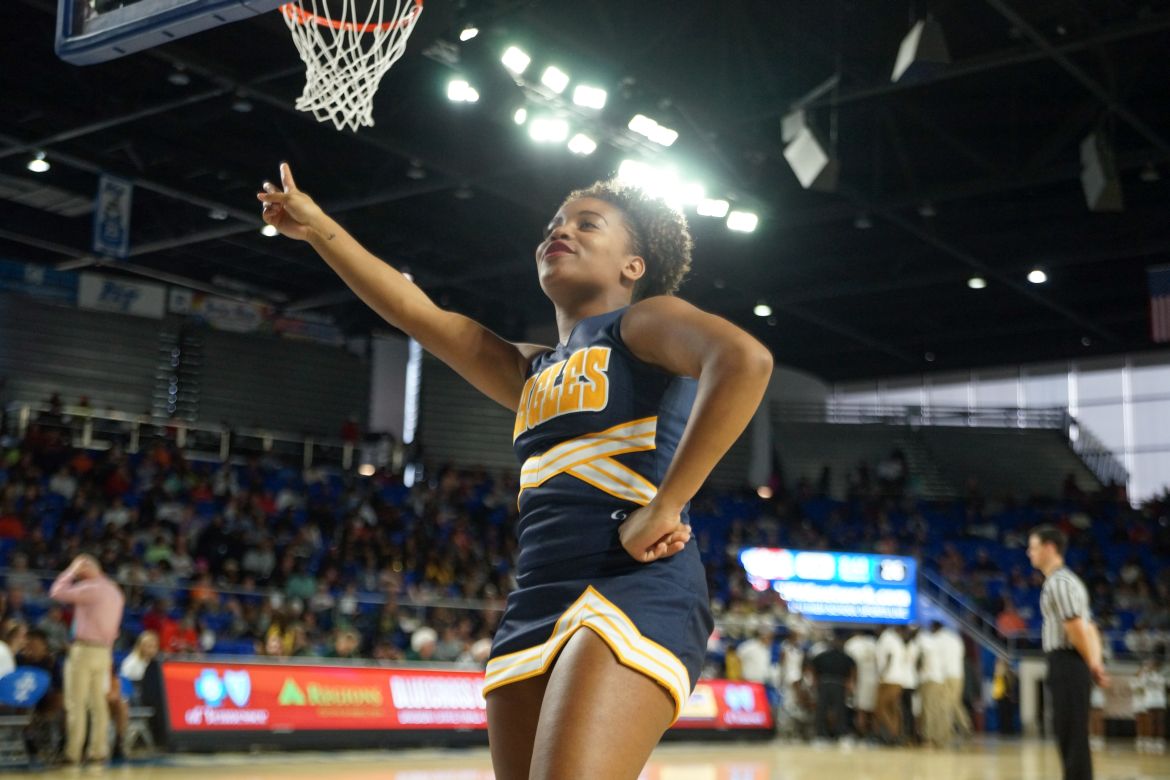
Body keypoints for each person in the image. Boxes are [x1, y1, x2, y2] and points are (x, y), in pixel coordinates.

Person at [258, 163, 772, 778]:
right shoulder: (530, 370)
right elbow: (415, 312)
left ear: (633, 266)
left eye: (587, 224)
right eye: (555, 224)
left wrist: (666, 505)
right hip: (533, 598)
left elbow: (744, 360)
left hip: (630, 587)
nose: (561, 231)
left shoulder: (641, 322)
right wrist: (318, 228)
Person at [1027, 524, 1108, 780]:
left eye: (1033, 547)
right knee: (1072, 732)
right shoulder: (1070, 581)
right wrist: (1095, 662)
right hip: (1073, 661)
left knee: (1070, 734)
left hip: (1067, 661)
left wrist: (1091, 663)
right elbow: (1091, 628)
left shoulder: (1059, 582)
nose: (1029, 552)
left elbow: (1075, 628)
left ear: (1050, 548)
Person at [49, 553, 125, 767]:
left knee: (76, 703)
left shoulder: (91, 588)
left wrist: (71, 571)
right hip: (104, 652)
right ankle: (98, 751)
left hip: (84, 650)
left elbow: (56, 592)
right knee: (98, 704)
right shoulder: (115, 591)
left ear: (86, 568)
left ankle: (72, 753)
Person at [809, 632, 856, 742]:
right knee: (825, 710)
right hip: (828, 683)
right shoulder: (824, 655)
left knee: (836, 710)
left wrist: (850, 682)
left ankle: (835, 733)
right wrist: (815, 680)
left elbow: (853, 668)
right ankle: (823, 734)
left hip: (836, 683)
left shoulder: (844, 656)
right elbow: (812, 665)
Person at [918, 622, 951, 747]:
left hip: (930, 679)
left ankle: (929, 737)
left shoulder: (928, 641)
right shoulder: (945, 641)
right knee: (938, 709)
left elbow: (923, 661)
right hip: (940, 678)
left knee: (929, 709)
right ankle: (940, 737)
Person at [843, 629, 878, 739]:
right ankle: (873, 735)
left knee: (860, 710)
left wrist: (850, 682)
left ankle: (862, 735)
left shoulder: (851, 643)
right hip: (875, 679)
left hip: (860, 680)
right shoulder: (873, 642)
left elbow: (850, 666)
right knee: (873, 711)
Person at [876, 624, 907, 744]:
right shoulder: (897, 640)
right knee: (893, 709)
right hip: (899, 680)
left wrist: (883, 673)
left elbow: (889, 656)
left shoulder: (886, 637)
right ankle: (896, 735)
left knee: (880, 708)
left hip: (889, 679)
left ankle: (893, 734)